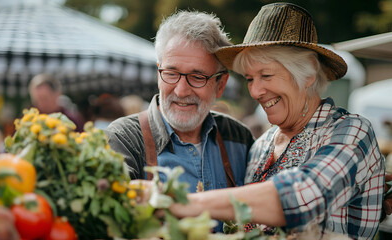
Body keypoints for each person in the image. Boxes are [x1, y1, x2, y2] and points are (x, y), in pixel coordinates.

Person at [161, 3, 385, 239]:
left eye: (266, 75)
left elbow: (304, 197)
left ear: (308, 73)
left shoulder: (352, 132)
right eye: (249, 79)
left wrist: (181, 203)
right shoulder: (260, 145)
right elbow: (249, 224)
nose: (255, 91)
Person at [105, 11, 254, 197]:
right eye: (171, 73)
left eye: (197, 77)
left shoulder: (239, 138)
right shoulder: (125, 138)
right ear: (158, 73)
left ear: (220, 85)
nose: (181, 91)